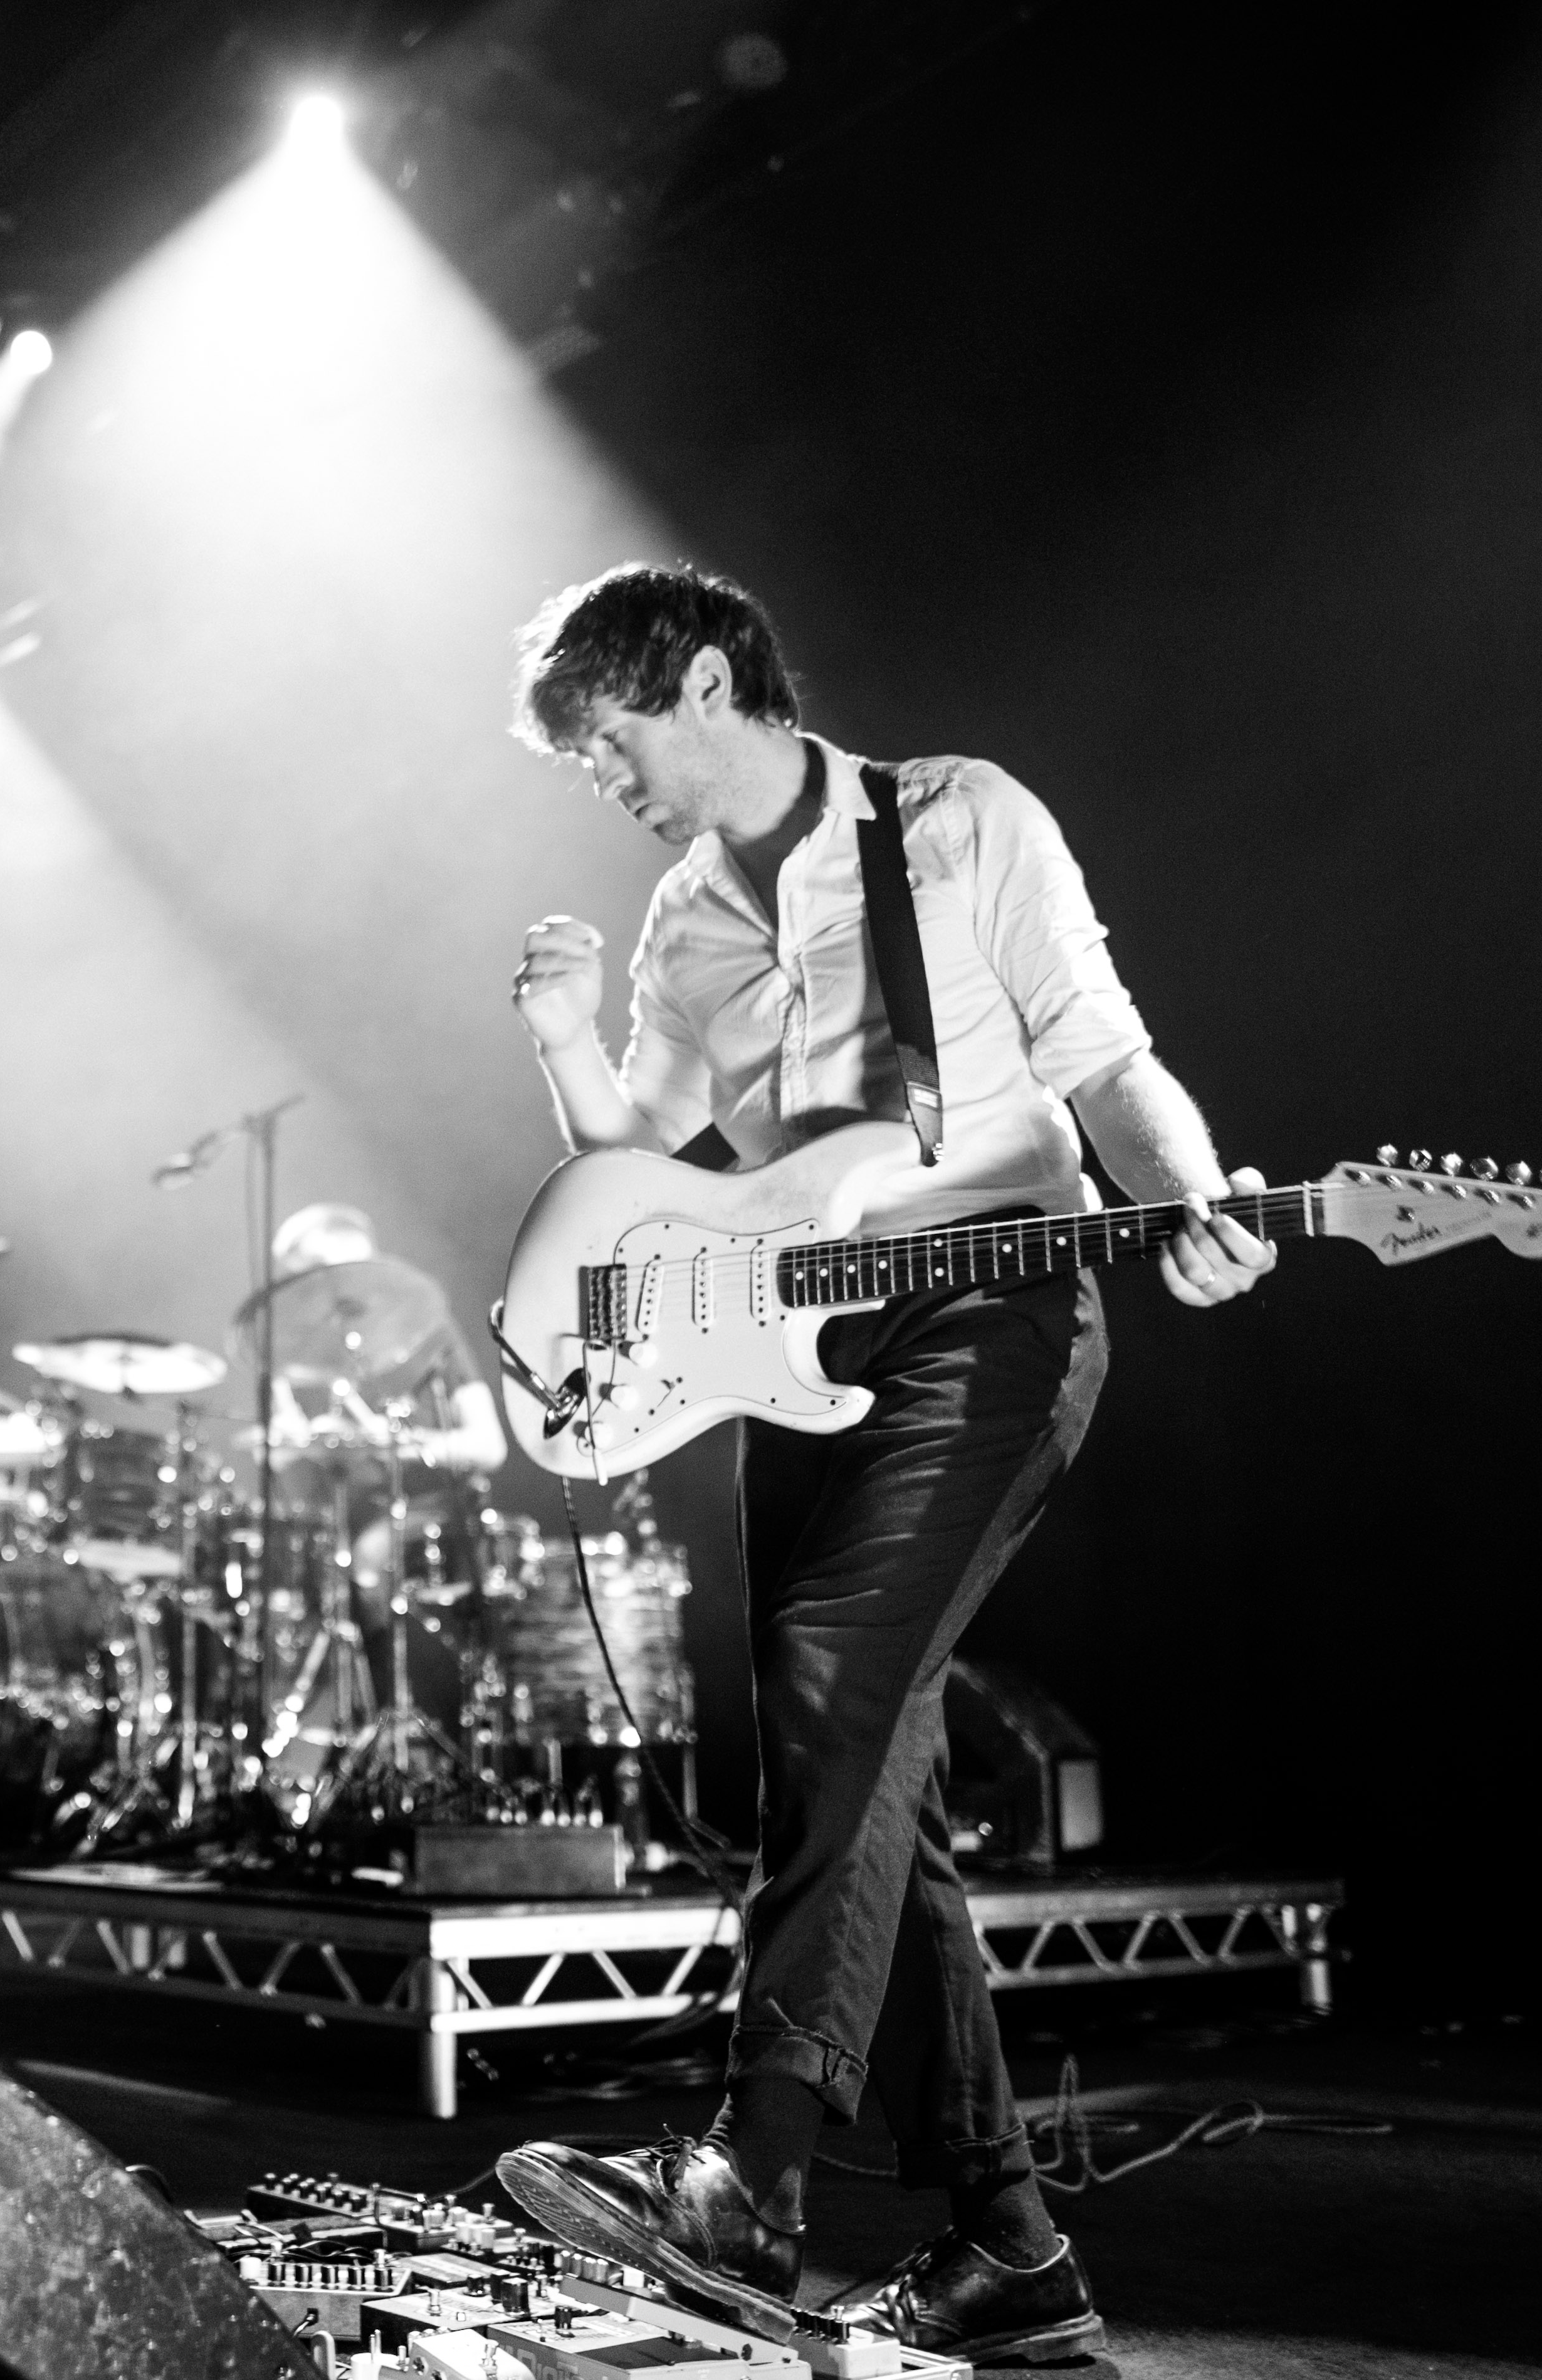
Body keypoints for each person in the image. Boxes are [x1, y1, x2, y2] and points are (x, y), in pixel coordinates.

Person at [488, 564, 1272, 2364]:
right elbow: (638, 1174)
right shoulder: (683, 922)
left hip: (994, 1309)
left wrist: (1191, 1190)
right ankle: (1011, 2248)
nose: (602, 779)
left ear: (702, 682)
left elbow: (1104, 1058)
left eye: (606, 740)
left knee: (835, 1674)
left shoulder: (958, 819)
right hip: (791, 1351)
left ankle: (752, 2170)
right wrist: (561, 1039)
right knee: (861, 1763)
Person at [260, 1201, 511, 1477]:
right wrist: (288, 1447)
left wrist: (392, 1444)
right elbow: (278, 1463)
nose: (309, 1289)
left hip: (434, 1500)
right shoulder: (295, 1360)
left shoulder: (427, 1330)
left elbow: (490, 1447)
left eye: (321, 1272)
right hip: (348, 1504)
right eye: (299, 1279)